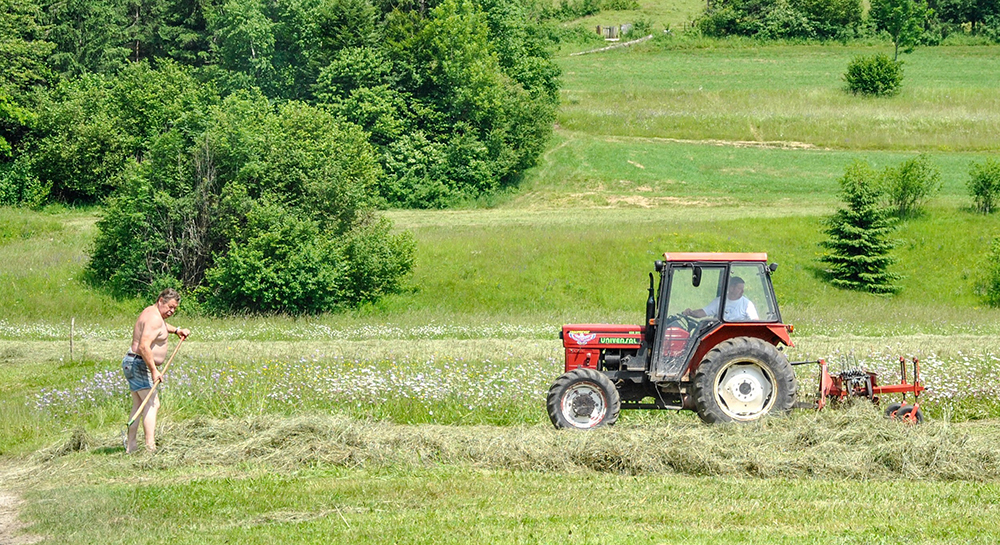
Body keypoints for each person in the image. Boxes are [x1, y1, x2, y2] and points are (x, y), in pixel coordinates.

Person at [122, 288, 190, 453]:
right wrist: (153, 370)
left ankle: (131, 446)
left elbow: (162, 326)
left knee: (139, 404)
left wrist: (176, 330)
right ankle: (150, 447)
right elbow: (144, 346)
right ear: (161, 300)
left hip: (132, 362)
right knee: (153, 403)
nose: (171, 311)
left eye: (174, 309)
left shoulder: (152, 313)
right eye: (170, 307)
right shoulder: (153, 318)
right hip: (140, 364)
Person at [682, 276, 758, 322]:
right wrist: (690, 313)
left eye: (742, 289)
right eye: (739, 288)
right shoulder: (719, 301)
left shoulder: (747, 304)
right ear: (731, 288)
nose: (742, 291)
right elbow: (703, 312)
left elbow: (755, 321)